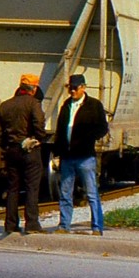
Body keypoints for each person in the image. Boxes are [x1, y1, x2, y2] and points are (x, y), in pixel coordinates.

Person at [53, 74, 109, 235]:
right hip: (67, 156)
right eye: (70, 88)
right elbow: (60, 131)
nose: (72, 91)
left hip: (85, 156)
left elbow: (103, 127)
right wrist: (57, 153)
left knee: (91, 193)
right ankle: (64, 225)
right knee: (65, 193)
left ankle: (97, 227)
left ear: (83, 87)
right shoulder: (66, 105)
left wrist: (89, 138)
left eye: (75, 88)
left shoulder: (94, 105)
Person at [0, 73, 48, 236]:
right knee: (32, 187)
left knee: (13, 188)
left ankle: (10, 225)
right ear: (34, 88)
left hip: (11, 150)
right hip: (30, 149)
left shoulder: (5, 105)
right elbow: (39, 123)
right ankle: (32, 224)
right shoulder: (33, 103)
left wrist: (5, 145)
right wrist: (39, 138)